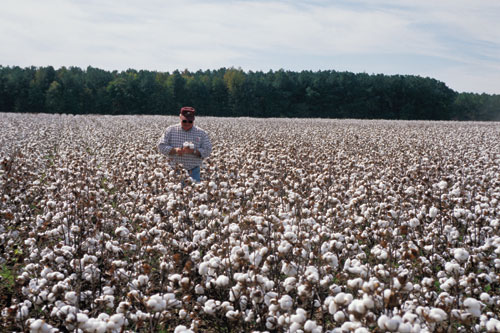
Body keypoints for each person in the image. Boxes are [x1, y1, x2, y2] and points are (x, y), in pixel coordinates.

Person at [158, 106, 212, 183]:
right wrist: (175, 150)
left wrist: (194, 151)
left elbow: (208, 149)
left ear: (193, 120)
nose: (187, 123)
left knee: (194, 193)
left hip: (193, 171)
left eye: (190, 121)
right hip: (174, 170)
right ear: (180, 117)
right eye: (184, 121)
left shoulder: (201, 133)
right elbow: (161, 146)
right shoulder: (170, 130)